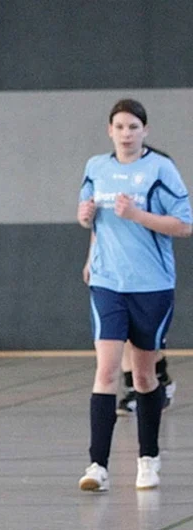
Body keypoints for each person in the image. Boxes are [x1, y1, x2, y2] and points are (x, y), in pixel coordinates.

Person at [76, 98, 191, 492]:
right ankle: (97, 466)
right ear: (110, 130)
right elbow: (89, 215)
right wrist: (87, 224)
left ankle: (148, 459)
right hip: (108, 283)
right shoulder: (96, 168)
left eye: (133, 127)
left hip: (151, 285)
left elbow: (183, 226)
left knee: (143, 375)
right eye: (119, 127)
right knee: (106, 370)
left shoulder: (161, 170)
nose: (126, 134)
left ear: (145, 131)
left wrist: (137, 216)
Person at [82, 242, 177, 415]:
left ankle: (159, 373)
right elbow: (99, 223)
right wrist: (92, 257)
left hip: (149, 273)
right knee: (116, 333)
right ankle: (132, 383)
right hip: (112, 272)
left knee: (143, 341)